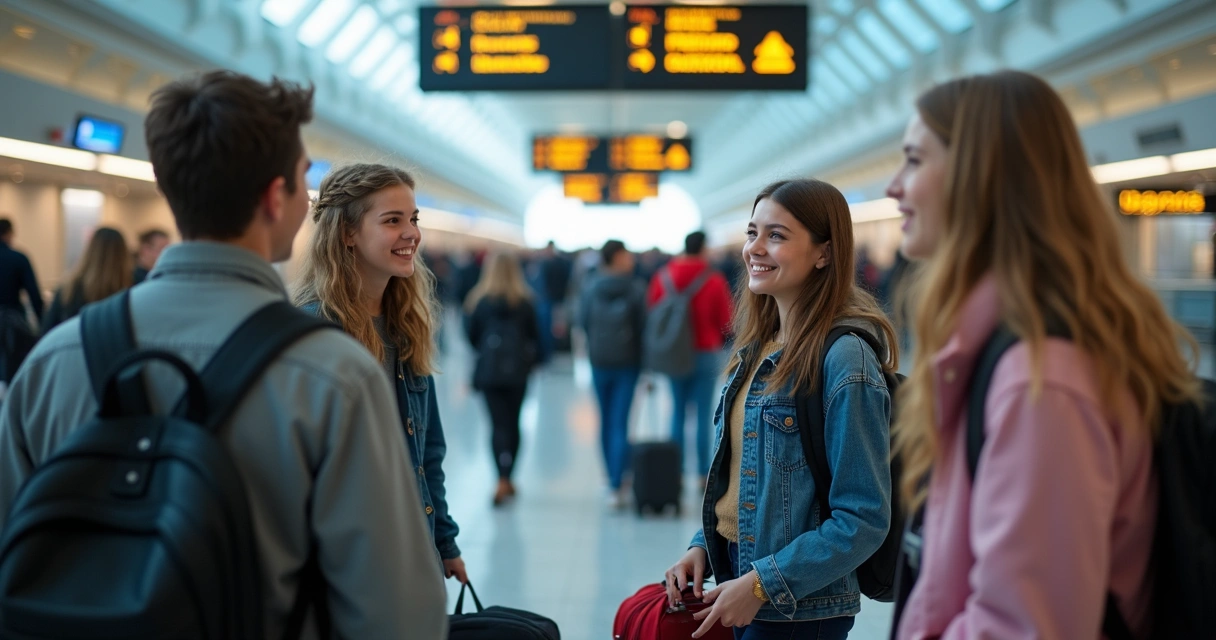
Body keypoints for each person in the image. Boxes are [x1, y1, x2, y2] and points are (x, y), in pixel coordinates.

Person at [0, 71, 447, 638]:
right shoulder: (333, 373)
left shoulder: (50, 364)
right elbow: (396, 611)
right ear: (274, 198)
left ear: (169, 186)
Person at [887, 70, 1197, 640]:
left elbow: (1024, 626)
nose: (893, 186)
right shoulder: (1003, 354)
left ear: (978, 175)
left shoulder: (1042, 382)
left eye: (912, 160)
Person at [665, 179, 897, 640]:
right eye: (753, 233)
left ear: (824, 253)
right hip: (740, 584)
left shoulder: (844, 359)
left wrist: (759, 585)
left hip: (798, 609)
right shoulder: (759, 346)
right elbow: (744, 479)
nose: (755, 248)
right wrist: (703, 549)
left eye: (777, 235)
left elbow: (863, 517)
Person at [294, 162, 467, 584]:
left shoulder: (404, 323)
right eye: (393, 221)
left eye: (413, 219)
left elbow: (428, 452)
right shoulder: (313, 334)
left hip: (412, 551)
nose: (412, 233)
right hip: (348, 565)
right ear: (348, 234)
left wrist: (445, 543)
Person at [647, 230, 733, 479]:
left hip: (673, 353)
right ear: (703, 248)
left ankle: (674, 471)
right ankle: (703, 474)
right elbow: (726, 320)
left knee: (677, 411)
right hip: (706, 351)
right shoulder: (714, 279)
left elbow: (653, 311)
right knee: (704, 413)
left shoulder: (663, 276)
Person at [464, 251, 540, 506]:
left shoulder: (478, 301)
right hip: (518, 372)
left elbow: (472, 338)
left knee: (497, 426)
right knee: (515, 423)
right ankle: (509, 477)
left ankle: (500, 479)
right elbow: (535, 337)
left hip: (489, 372)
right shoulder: (525, 301)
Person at [579, 239, 647, 508]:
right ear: (616, 257)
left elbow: (583, 321)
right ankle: (618, 482)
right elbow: (643, 327)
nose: (631, 259)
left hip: (599, 360)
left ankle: (611, 478)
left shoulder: (590, 286)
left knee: (605, 420)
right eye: (626, 255)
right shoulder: (635, 288)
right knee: (620, 421)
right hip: (628, 362)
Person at [42, 227, 132, 333]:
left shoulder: (69, 289)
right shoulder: (130, 290)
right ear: (123, 255)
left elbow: (47, 330)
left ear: (90, 251)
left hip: (72, 346)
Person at [0, 218, 44, 325]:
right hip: (11, 322)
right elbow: (34, 294)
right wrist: (43, 322)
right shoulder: (18, 258)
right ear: (9, 233)